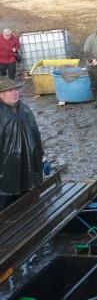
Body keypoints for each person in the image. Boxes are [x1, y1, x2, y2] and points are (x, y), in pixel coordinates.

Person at [0, 76, 44, 211]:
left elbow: (35, 133)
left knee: (29, 201)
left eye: (15, 89)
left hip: (29, 164)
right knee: (6, 205)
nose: (14, 93)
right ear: (0, 94)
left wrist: (42, 156)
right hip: (7, 170)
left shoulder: (24, 109)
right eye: (9, 90)